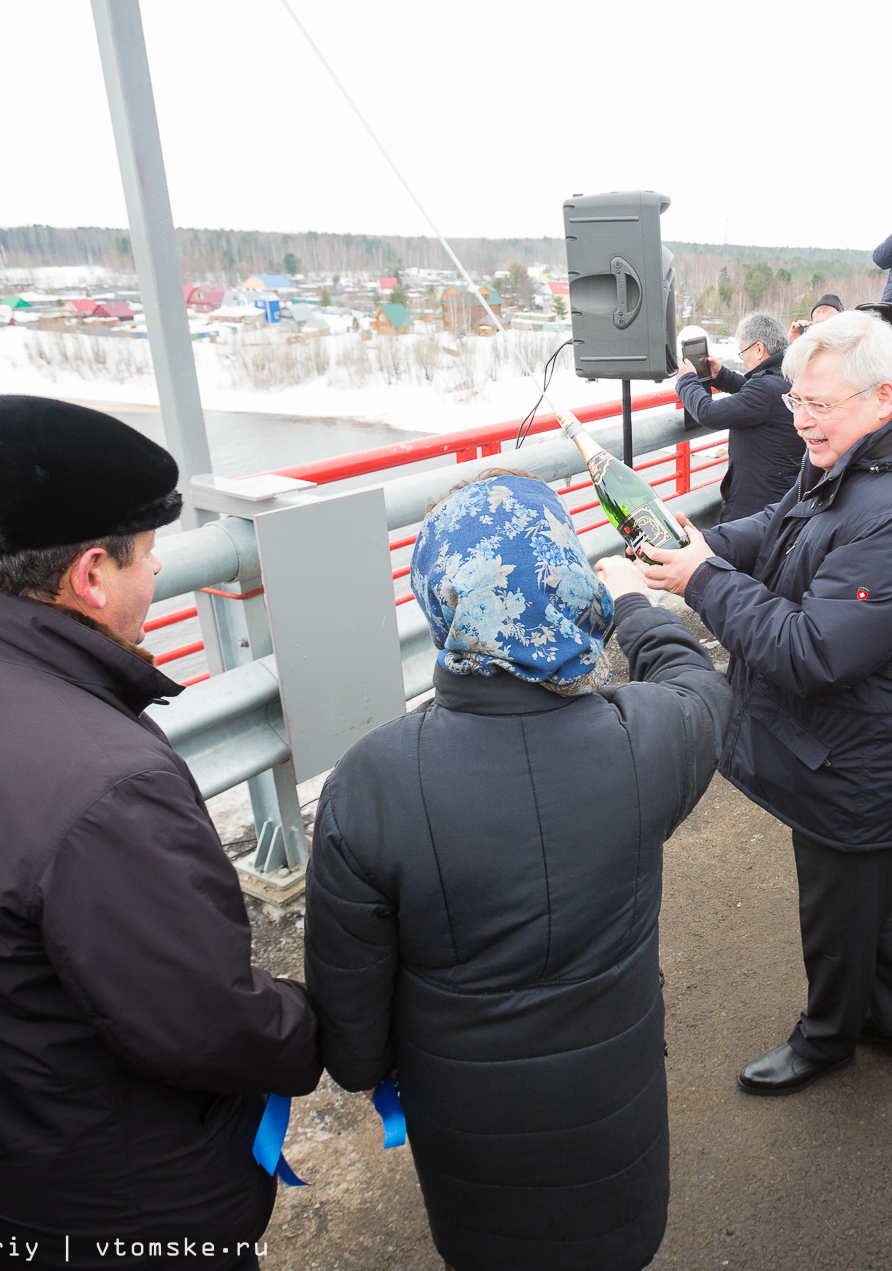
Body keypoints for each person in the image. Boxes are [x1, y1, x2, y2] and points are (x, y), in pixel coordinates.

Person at [0, 396, 319, 1266]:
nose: (155, 575)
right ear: (91, 576)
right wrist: (317, 1026)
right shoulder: (106, 784)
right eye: (150, 556)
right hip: (103, 1213)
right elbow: (200, 1023)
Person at [305, 471, 728, 1271]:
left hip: (469, 1132)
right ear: (569, 580)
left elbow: (351, 1030)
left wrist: (367, 1064)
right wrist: (635, 604)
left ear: (440, 598)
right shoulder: (651, 739)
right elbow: (698, 684)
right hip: (616, 1114)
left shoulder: (372, 780)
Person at [635, 311, 892, 1096]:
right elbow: (786, 521)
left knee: (838, 910)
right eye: (794, 399)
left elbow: (812, 650)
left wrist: (702, 585)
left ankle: (827, 1038)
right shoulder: (867, 457)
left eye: (817, 404)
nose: (799, 418)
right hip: (857, 749)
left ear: (883, 396)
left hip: (864, 761)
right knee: (866, 891)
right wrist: (712, 548)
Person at [677, 312, 804, 521]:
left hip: (754, 507)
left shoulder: (765, 388)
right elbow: (760, 400)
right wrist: (724, 377)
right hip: (780, 495)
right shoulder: (789, 374)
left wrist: (686, 380)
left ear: (759, 349)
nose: (743, 359)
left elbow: (707, 413)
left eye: (743, 352)